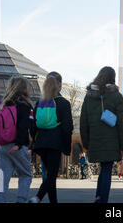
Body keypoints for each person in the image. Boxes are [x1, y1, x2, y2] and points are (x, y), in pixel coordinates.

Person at [80, 66, 123, 203]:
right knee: (106, 169)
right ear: (112, 78)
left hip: (95, 141)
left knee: (104, 169)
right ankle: (102, 200)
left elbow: (83, 122)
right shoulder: (116, 96)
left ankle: (98, 197)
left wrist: (86, 143)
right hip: (111, 142)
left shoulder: (89, 97)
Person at [27, 72, 73, 204]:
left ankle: (53, 201)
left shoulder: (40, 103)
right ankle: (38, 197)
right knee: (52, 176)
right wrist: (67, 147)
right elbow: (67, 128)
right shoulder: (64, 103)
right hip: (55, 144)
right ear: (60, 85)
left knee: (49, 176)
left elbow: (33, 125)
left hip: (41, 144)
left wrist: (35, 142)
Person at [0, 76, 34, 203]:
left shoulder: (3, 104)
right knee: (26, 174)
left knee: (2, 178)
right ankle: (20, 200)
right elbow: (24, 126)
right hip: (17, 145)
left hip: (3, 146)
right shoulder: (25, 105)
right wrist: (19, 144)